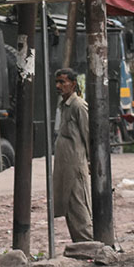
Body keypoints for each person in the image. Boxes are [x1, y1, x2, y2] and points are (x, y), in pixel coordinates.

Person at [52, 68, 93, 243]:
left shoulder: (78, 106)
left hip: (75, 165)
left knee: (78, 203)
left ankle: (91, 243)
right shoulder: (64, 105)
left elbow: (88, 135)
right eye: (57, 82)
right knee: (67, 204)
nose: (58, 86)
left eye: (62, 82)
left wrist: (91, 162)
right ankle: (80, 244)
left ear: (73, 84)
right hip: (64, 166)